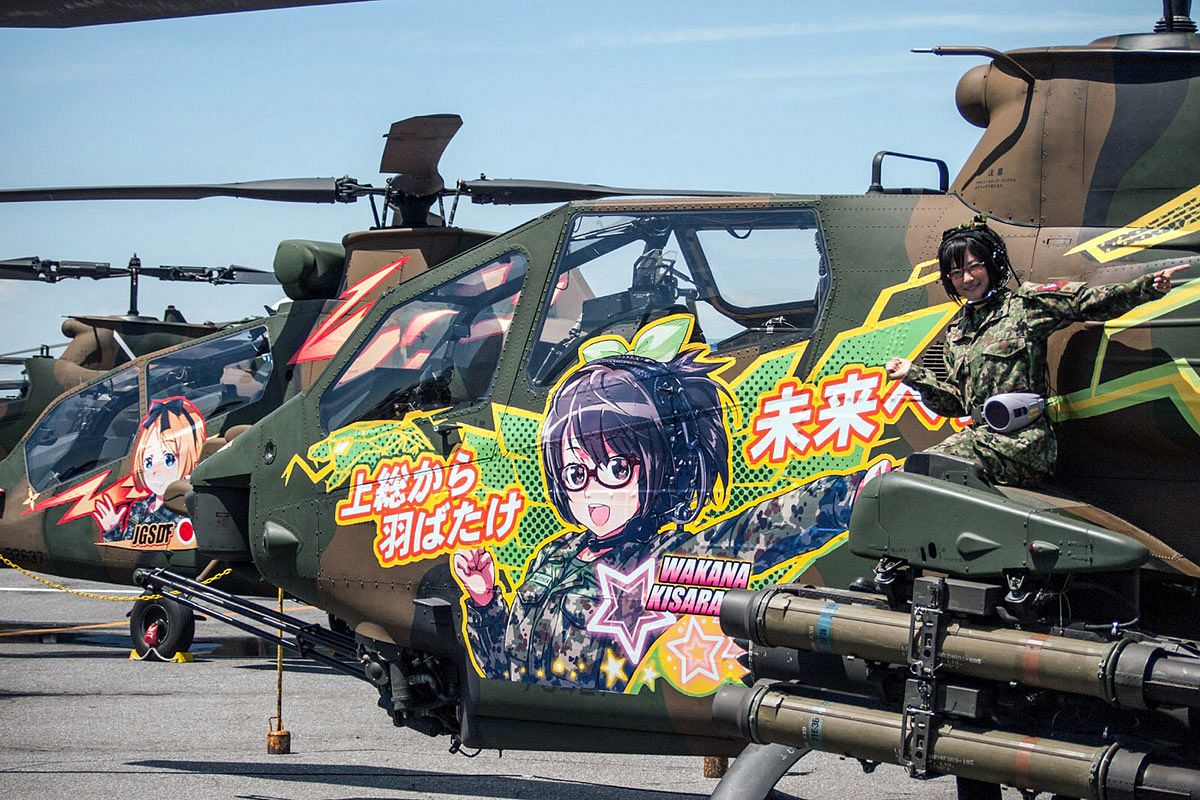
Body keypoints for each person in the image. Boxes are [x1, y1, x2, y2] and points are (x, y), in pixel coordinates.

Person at [453, 315, 860, 690]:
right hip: (532, 721)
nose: (592, 490)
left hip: (594, 725)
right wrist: (486, 602)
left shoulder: (660, 560)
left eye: (616, 468)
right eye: (575, 474)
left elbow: (754, 533)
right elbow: (501, 668)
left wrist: (845, 497)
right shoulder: (555, 553)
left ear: (662, 466)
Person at [886, 218, 1187, 486]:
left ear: (991, 264)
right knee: (914, 475)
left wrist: (1146, 287)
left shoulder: (1024, 306)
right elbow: (957, 404)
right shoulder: (957, 333)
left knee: (922, 474)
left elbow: (1085, 303)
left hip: (1023, 446)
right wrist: (914, 376)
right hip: (981, 441)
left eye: (974, 267)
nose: (967, 279)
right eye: (956, 273)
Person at [94, 396, 206, 542]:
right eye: (148, 462)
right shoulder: (141, 506)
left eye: (168, 459)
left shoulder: (185, 508)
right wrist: (112, 530)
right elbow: (129, 547)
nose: (154, 471)